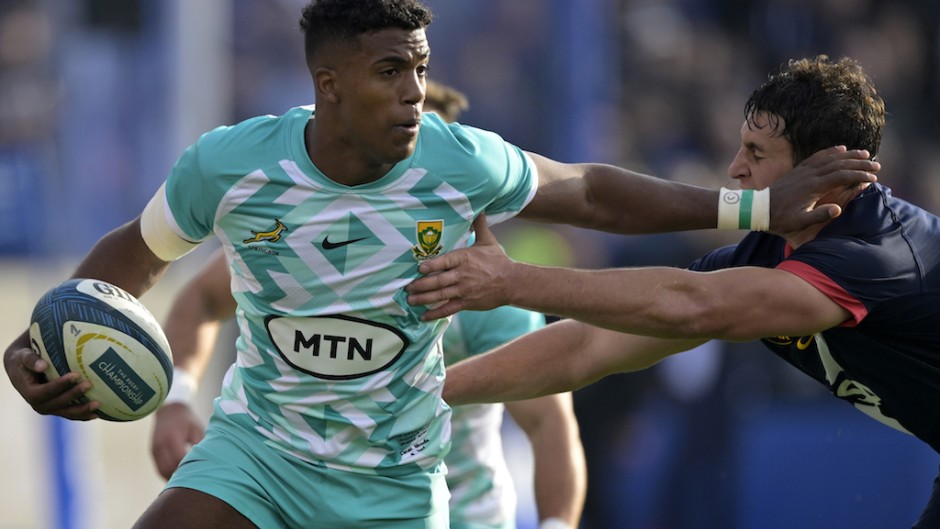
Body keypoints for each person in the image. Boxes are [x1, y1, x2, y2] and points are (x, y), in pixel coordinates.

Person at [1, 0, 877, 524]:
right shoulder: (231, 168)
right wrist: (42, 346)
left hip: (393, 479)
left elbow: (592, 192)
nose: (415, 92)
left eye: (419, 68)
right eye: (391, 71)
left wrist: (758, 209)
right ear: (329, 84)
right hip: (258, 454)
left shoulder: (457, 168)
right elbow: (135, 258)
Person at [405, 55, 940, 528]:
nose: (734, 168)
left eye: (756, 152)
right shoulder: (765, 253)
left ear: (825, 171)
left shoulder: (879, 252)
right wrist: (421, 395)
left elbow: (691, 306)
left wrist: (512, 280)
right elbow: (586, 346)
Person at [150, 81, 588, 529]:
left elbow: (549, 424)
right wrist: (178, 397)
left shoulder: (481, 293)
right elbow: (201, 298)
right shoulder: (303, 251)